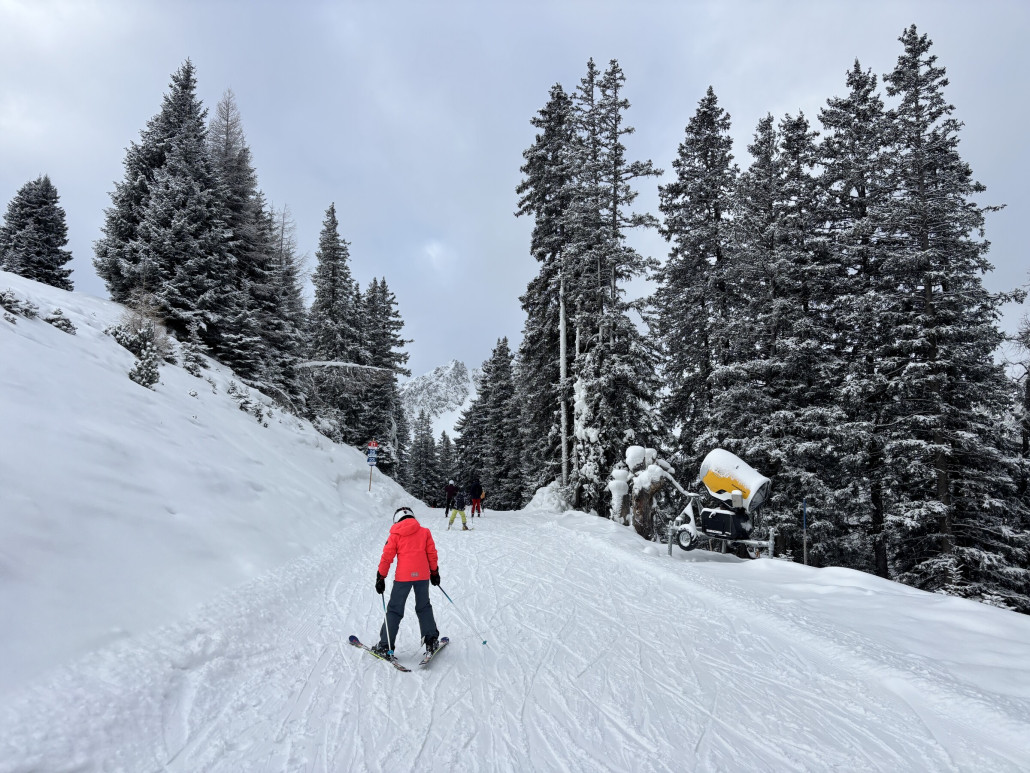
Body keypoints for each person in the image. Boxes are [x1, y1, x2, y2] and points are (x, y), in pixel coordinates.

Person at [371, 506, 441, 659]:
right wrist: (434, 572)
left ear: (396, 519)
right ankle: (431, 640)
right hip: (422, 576)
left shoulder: (395, 534)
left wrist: (381, 577)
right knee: (424, 606)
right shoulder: (424, 532)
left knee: (395, 610)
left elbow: (387, 557)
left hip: (403, 578)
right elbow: (432, 553)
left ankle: (385, 646)